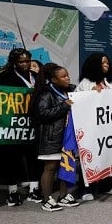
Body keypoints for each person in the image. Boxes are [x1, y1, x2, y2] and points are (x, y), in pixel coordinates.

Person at [0, 48, 40, 206]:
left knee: (33, 156)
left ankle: (34, 189)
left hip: (32, 123)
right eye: (21, 62)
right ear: (13, 62)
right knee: (12, 158)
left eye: (27, 61)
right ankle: (12, 192)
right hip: (12, 124)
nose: (25, 64)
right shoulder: (2, 77)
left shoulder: (37, 76)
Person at [29, 63, 80, 212]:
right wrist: (64, 106)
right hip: (51, 136)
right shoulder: (46, 94)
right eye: (63, 76)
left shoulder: (72, 89)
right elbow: (42, 114)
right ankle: (47, 199)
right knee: (50, 167)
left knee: (66, 165)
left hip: (67, 136)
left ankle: (63, 196)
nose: (67, 78)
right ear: (54, 80)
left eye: (67, 75)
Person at [75, 52, 112, 198]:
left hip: (106, 129)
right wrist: (91, 94)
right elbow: (77, 105)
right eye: (102, 63)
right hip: (90, 130)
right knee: (90, 159)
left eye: (107, 62)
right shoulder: (85, 83)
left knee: (107, 157)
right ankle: (87, 189)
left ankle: (107, 185)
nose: (106, 65)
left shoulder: (108, 83)